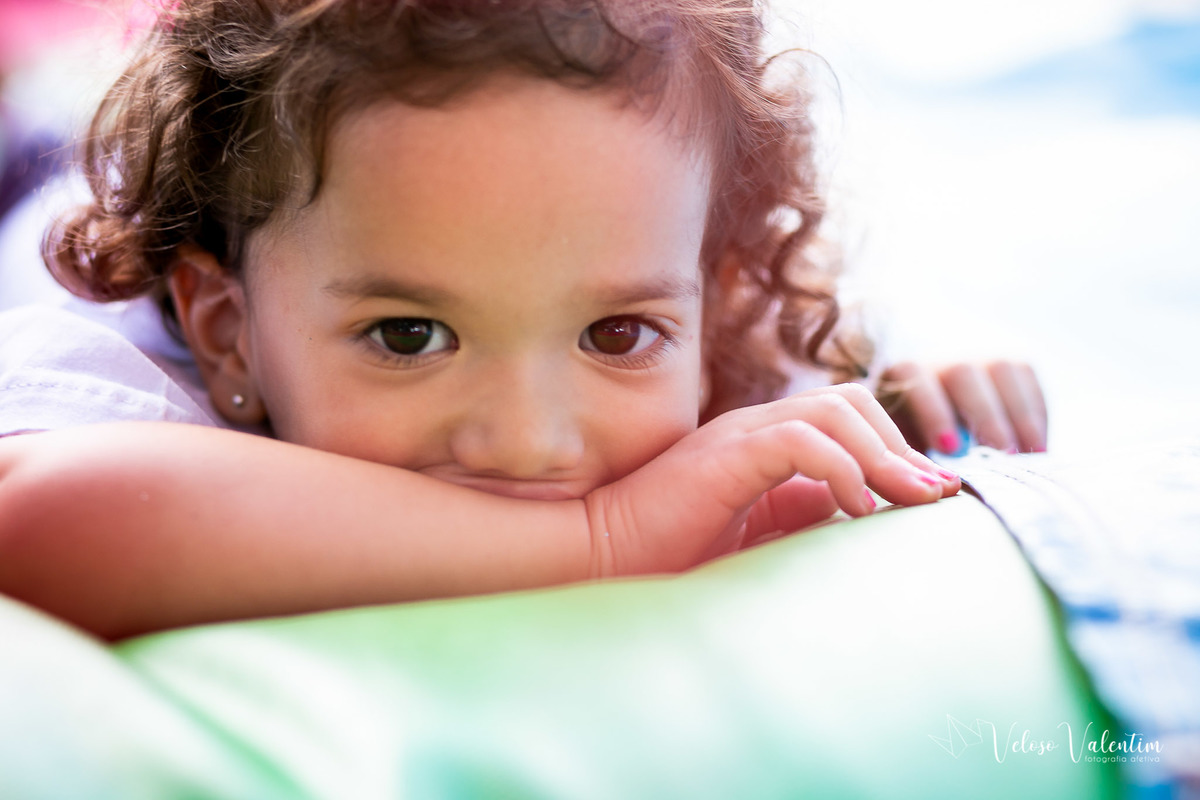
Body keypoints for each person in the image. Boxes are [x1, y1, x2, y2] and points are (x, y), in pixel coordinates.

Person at [0, 0, 1043, 640]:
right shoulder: (145, 362)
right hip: (59, 195)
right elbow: (25, 517)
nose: (530, 438)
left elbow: (805, 361)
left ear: (708, 300)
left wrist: (907, 391)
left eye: (617, 334)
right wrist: (601, 537)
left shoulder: (713, 315)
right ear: (231, 332)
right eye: (410, 335)